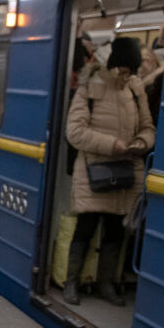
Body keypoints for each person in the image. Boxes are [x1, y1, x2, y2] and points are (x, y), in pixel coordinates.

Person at [64, 36, 154, 306]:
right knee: (86, 229)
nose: (126, 74)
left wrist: (142, 143)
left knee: (115, 233)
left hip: (125, 173)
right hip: (95, 173)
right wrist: (112, 145)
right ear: (113, 63)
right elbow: (75, 132)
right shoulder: (90, 87)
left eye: (130, 70)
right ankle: (71, 283)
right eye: (123, 68)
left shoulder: (136, 91)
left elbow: (148, 128)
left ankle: (106, 284)